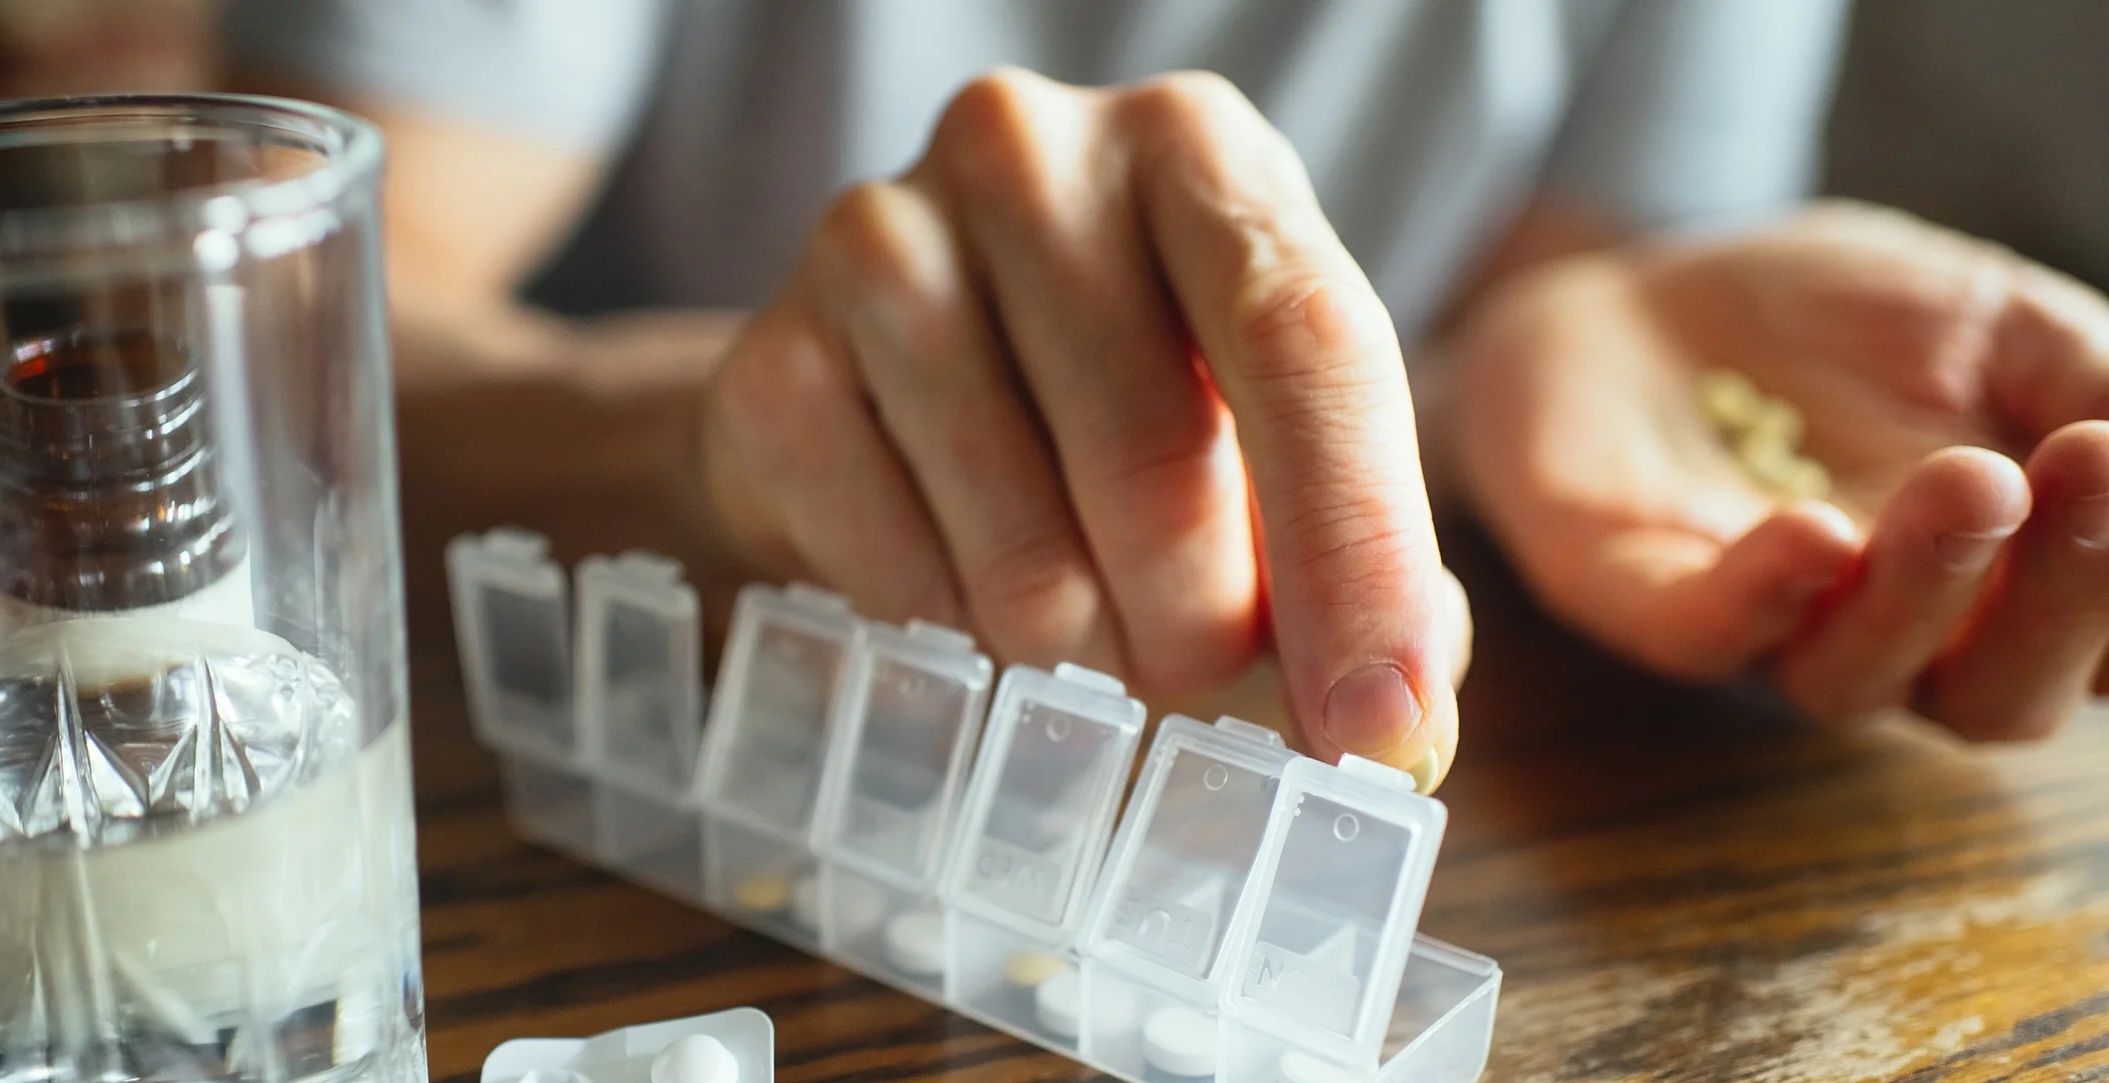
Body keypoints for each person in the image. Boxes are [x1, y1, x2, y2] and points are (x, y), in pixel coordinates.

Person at [202, 0, 2109, 793]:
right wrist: (722, 438)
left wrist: (1520, 380)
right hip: (593, 762)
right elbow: (262, 345)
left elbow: (1548, 340)